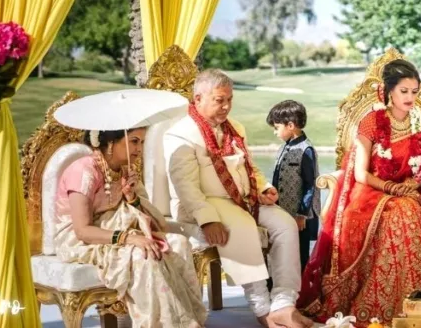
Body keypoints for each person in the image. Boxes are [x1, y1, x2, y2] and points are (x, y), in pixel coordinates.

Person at [298, 59, 421, 327]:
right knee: (402, 213)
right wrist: (391, 188)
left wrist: (419, 180)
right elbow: (360, 174)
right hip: (372, 193)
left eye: (415, 91)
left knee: (417, 213)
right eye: (404, 91)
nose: (411, 97)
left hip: (412, 190)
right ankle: (388, 304)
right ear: (389, 91)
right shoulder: (371, 122)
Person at [165, 69, 312, 328]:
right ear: (198, 99)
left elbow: (249, 168)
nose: (226, 107)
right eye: (219, 100)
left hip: (243, 199)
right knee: (243, 227)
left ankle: (283, 304)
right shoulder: (181, 135)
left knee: (286, 224)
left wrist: (263, 187)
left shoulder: (235, 128)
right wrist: (207, 220)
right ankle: (262, 308)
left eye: (229, 99)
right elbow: (185, 187)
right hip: (205, 203)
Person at [54, 127, 207, 328]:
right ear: (110, 143)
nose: (139, 149)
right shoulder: (84, 171)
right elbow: (82, 230)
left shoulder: (126, 170)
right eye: (134, 141)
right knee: (143, 254)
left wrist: (132, 198)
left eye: (142, 142)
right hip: (82, 240)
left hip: (121, 231)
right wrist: (129, 238)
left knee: (177, 243)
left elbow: (152, 223)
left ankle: (187, 321)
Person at [267, 99, 321, 271]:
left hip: (300, 217)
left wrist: (301, 215)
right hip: (283, 211)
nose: (275, 133)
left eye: (277, 128)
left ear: (290, 125)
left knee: (300, 255)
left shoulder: (306, 150)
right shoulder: (284, 147)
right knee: (284, 252)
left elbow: (310, 185)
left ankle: (302, 293)